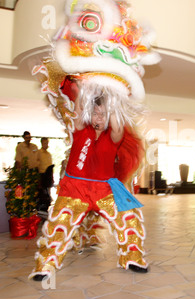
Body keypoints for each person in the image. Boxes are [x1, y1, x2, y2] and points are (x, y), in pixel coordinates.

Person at [29, 78, 147, 281]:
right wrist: (86, 88)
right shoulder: (80, 129)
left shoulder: (114, 135)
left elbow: (118, 124)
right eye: (95, 112)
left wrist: (113, 95)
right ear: (89, 114)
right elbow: (79, 107)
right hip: (75, 189)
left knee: (129, 218)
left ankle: (132, 257)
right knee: (60, 225)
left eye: (103, 113)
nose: (98, 116)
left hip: (105, 191)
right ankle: (45, 265)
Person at [37, 137, 54, 212]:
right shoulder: (38, 153)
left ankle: (47, 209)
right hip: (41, 176)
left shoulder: (49, 154)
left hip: (48, 177)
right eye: (44, 143)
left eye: (47, 143)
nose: (46, 145)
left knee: (48, 195)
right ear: (41, 143)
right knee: (41, 195)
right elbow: (36, 166)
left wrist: (52, 178)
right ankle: (41, 210)